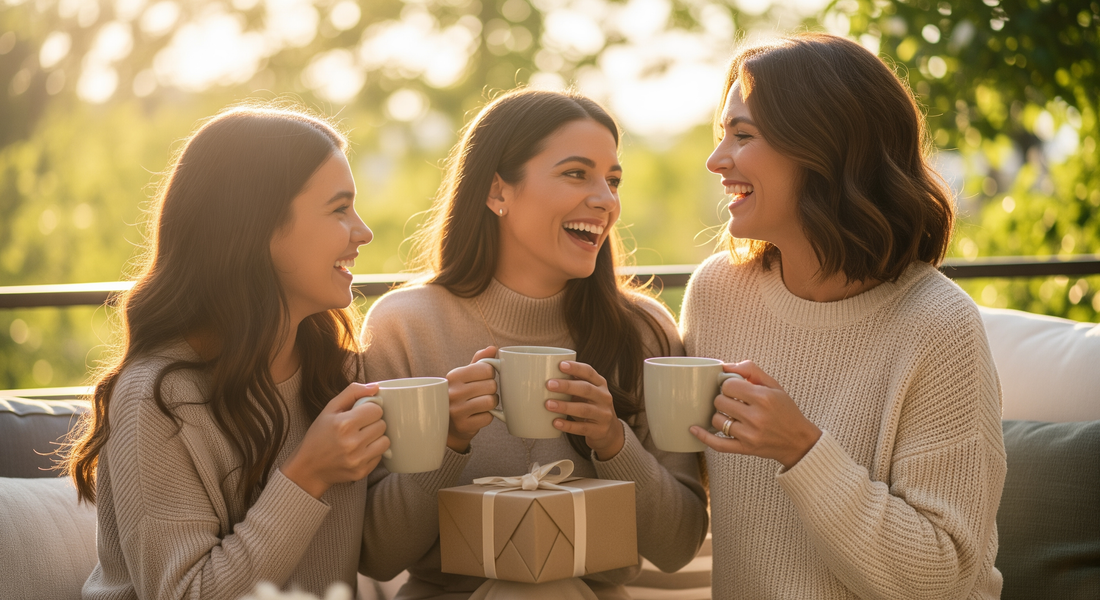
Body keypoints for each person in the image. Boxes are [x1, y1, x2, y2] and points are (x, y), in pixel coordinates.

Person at [681, 33, 1006, 598]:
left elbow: (942, 575)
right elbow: (679, 502)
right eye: (722, 134)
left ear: (824, 150)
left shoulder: (939, 325)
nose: (716, 160)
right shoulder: (717, 294)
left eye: (743, 135)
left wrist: (803, 450)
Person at [358, 88, 709, 599]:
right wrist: (446, 441)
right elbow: (379, 554)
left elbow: (677, 546)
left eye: (613, 180)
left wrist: (614, 442)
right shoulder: (405, 327)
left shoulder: (643, 330)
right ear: (497, 191)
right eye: (576, 173)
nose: (606, 200)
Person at [63, 105, 391, 599]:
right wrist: (307, 475)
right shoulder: (156, 400)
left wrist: (448, 442)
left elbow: (384, 555)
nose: (363, 232)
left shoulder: (334, 372)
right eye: (339, 209)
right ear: (258, 227)